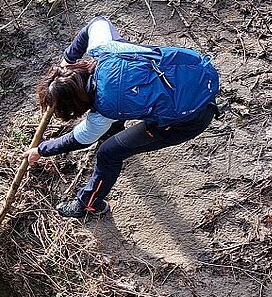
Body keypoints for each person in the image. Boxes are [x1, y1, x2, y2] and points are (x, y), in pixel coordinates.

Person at [26, 17, 220, 219]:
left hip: (189, 121)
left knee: (108, 153)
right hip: (196, 76)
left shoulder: (103, 111)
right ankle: (114, 131)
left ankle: (88, 204)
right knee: (122, 106)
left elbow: (80, 139)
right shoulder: (105, 49)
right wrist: (69, 58)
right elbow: (97, 22)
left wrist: (41, 150)